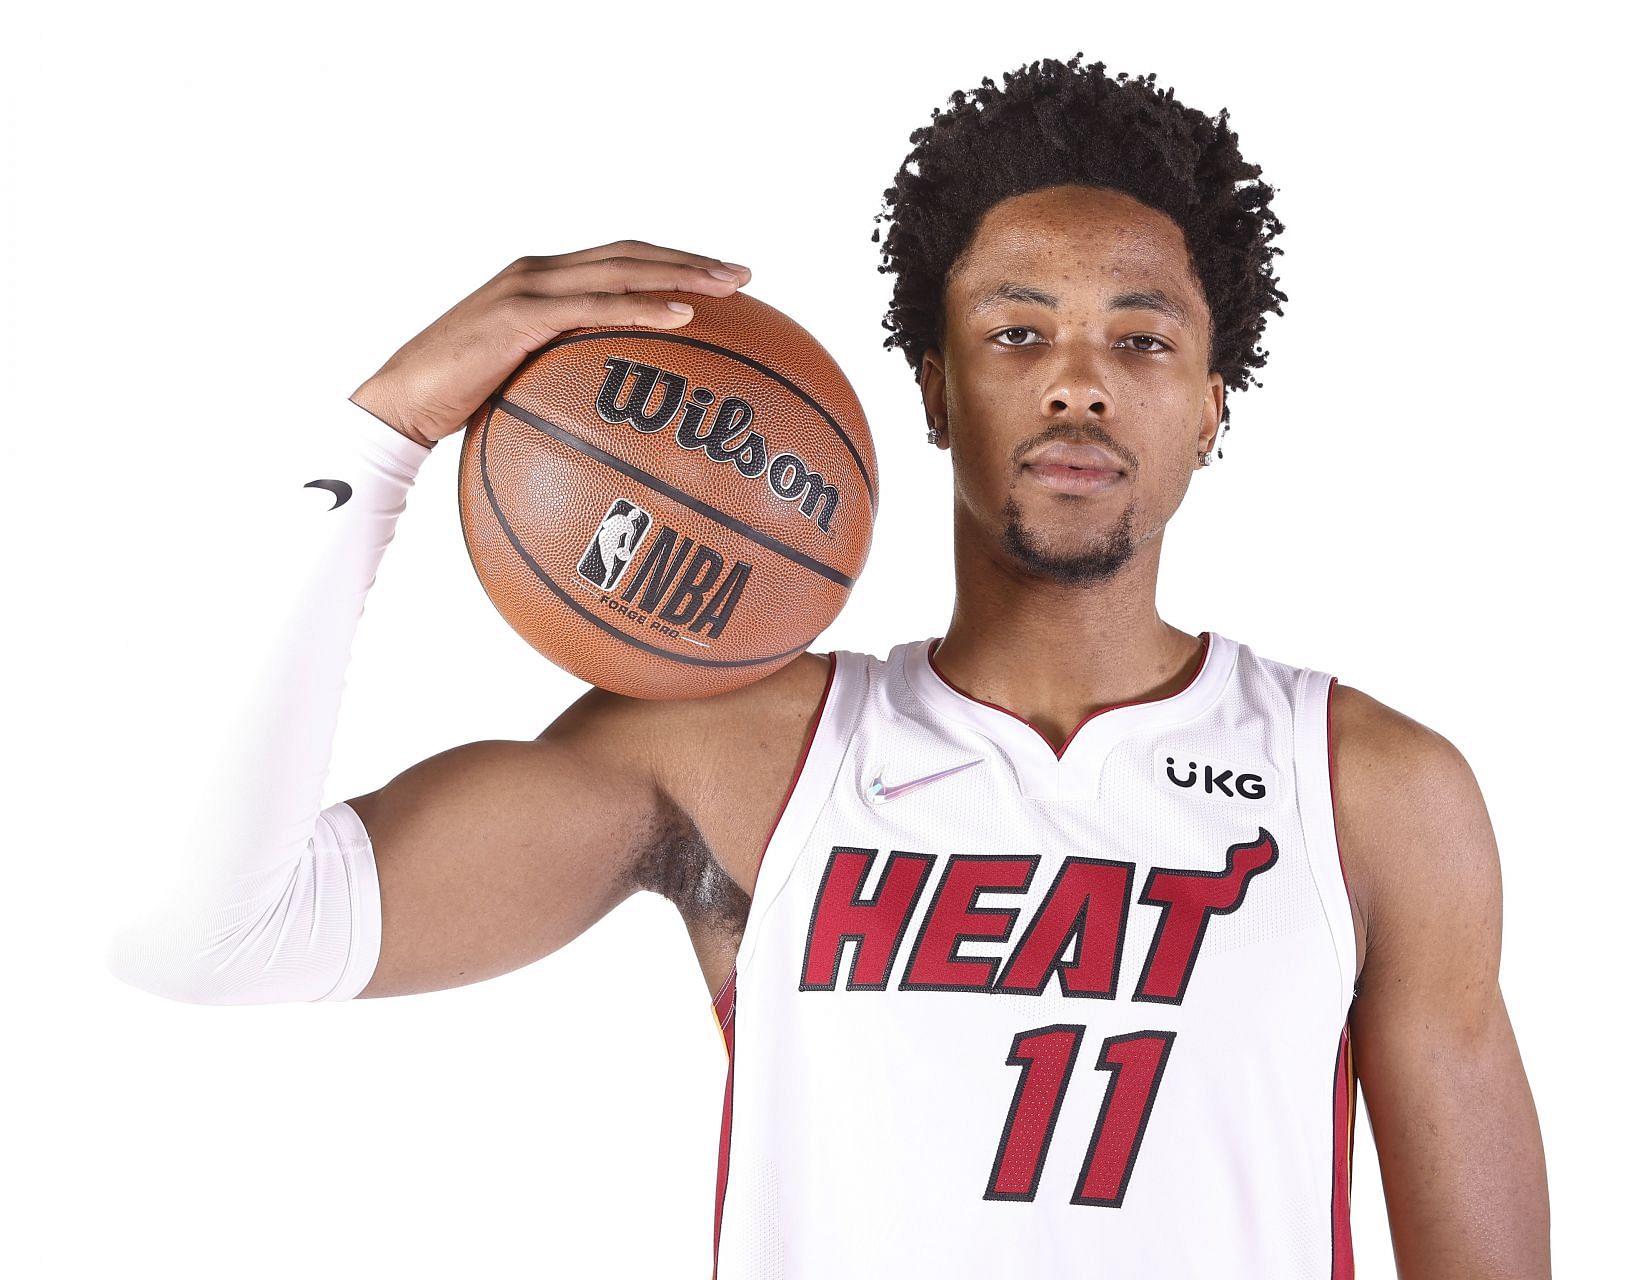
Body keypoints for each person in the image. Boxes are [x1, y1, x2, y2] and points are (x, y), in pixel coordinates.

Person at [110, 53, 1549, 1279]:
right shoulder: (734, 749)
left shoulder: (1368, 790)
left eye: (1143, 337)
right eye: (1015, 331)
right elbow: (208, 934)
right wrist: (382, 435)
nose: (1078, 379)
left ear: (1212, 405)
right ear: (933, 385)